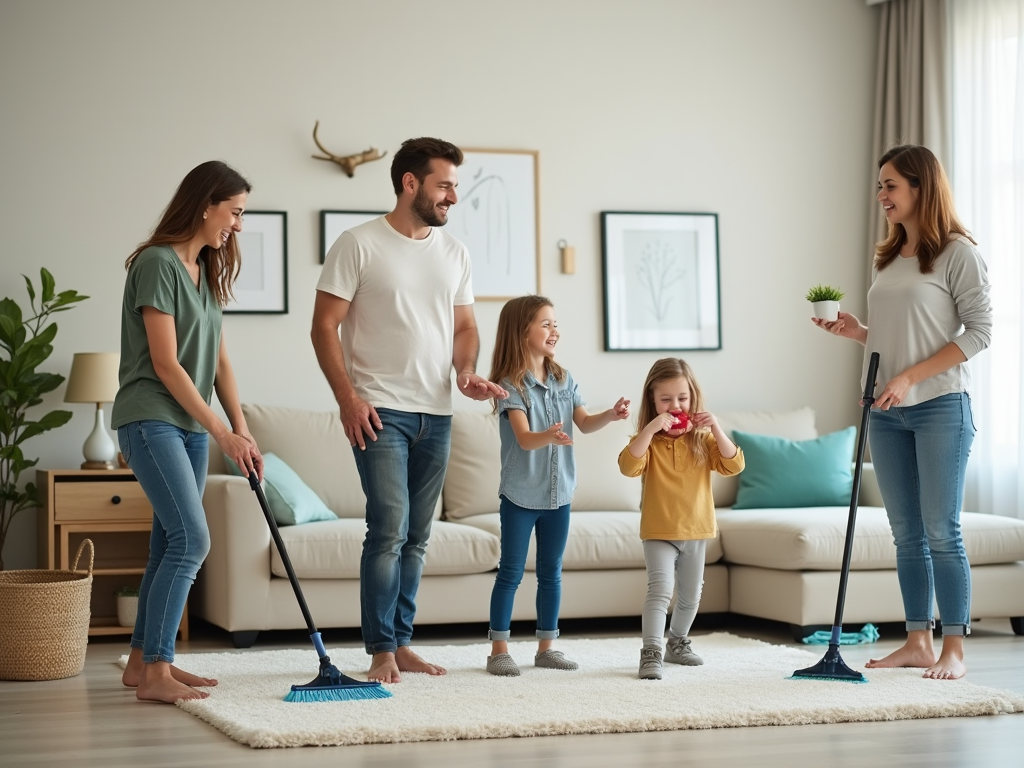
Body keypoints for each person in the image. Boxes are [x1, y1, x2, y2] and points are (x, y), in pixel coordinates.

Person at [311, 137, 507, 684]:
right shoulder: (358, 244)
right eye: (444, 185)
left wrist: (465, 372)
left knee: (418, 536)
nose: (452, 197)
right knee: (388, 529)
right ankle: (379, 651)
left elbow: (465, 328)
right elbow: (323, 326)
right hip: (379, 412)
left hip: (437, 413)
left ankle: (400, 644)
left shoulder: (455, 253)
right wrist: (347, 397)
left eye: (455, 187)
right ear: (410, 183)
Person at [813, 144, 992, 680]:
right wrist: (858, 333)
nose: (882, 196)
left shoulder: (959, 252)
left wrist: (911, 376)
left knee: (942, 530)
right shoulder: (888, 255)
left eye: (891, 185)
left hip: (940, 408)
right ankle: (918, 640)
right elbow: (899, 335)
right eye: (880, 186)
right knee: (906, 533)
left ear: (921, 187)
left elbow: (979, 332)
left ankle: (953, 649)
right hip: (887, 411)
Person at [112, 161, 264, 703]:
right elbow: (167, 363)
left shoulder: (205, 268)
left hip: (189, 427)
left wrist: (242, 433)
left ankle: (142, 664)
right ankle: (158, 670)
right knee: (191, 539)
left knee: (167, 542)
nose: (239, 225)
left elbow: (219, 361)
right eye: (236, 212)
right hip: (151, 417)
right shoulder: (157, 264)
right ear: (206, 204)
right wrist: (222, 433)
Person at [485, 295, 630, 676]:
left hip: (559, 493)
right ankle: (498, 649)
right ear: (523, 331)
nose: (554, 331)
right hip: (520, 494)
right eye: (545, 324)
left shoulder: (564, 378)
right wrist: (548, 436)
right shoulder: (510, 386)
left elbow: (583, 422)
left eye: (555, 324)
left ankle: (546, 647)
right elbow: (524, 439)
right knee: (511, 573)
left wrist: (610, 416)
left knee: (551, 572)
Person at [618, 358, 744, 680]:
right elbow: (628, 466)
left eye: (682, 398)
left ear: (693, 398)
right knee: (660, 589)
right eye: (665, 399)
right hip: (659, 530)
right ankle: (651, 652)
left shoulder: (703, 439)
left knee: (691, 595)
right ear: (652, 401)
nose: (675, 406)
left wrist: (714, 426)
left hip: (696, 529)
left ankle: (677, 642)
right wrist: (649, 429)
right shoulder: (648, 441)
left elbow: (734, 465)